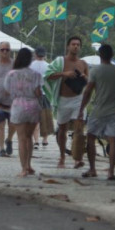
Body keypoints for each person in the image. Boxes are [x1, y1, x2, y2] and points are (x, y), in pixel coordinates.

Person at [79, 43, 115, 180]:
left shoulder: (95, 71)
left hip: (99, 110)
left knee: (91, 137)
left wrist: (81, 108)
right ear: (112, 55)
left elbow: (88, 91)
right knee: (113, 141)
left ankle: (92, 169)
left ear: (100, 55)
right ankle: (111, 171)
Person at [46, 36, 90, 169]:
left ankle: (77, 158)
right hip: (63, 99)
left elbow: (89, 82)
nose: (75, 46)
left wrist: (84, 77)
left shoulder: (83, 64)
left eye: (78, 44)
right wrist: (64, 74)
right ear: (68, 46)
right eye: (73, 44)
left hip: (78, 100)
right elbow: (48, 75)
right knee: (62, 129)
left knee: (79, 128)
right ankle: (62, 156)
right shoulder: (60, 61)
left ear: (80, 47)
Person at [5, 47, 43, 177]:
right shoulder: (35, 75)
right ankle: (29, 165)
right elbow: (38, 93)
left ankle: (23, 169)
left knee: (21, 139)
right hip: (33, 106)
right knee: (29, 137)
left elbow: (8, 90)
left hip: (18, 106)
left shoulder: (12, 74)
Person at [29, 46, 55, 149]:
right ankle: (45, 139)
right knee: (45, 118)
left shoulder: (30, 66)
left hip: (33, 94)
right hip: (46, 94)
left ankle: (35, 141)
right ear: (45, 55)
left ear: (35, 54)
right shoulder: (49, 66)